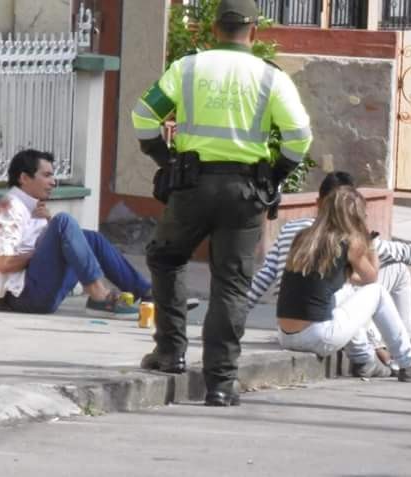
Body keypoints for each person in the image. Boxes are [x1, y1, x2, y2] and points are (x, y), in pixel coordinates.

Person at [131, 0, 313, 406]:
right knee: (231, 284)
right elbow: (300, 137)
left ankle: (170, 352)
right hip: (246, 192)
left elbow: (143, 116)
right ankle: (221, 384)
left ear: (213, 30)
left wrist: (167, 161)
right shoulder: (271, 77)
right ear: (252, 33)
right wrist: (274, 175)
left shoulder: (189, 68)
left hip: (192, 187)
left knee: (166, 257)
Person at [248, 171, 411, 378]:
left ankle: (365, 360)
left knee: (345, 292)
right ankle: (410, 361)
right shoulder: (350, 242)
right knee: (376, 293)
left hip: (286, 335)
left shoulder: (302, 237)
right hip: (317, 337)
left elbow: (336, 282)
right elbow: (372, 279)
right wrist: (369, 242)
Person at [0, 149, 153, 318]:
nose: (53, 182)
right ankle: (99, 295)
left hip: (41, 289)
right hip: (23, 297)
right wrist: (41, 252)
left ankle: (147, 293)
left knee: (92, 239)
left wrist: (49, 232)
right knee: (63, 222)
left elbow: (41, 245)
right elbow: (3, 264)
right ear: (24, 178)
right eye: (47, 175)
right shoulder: (9, 208)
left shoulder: (34, 207)